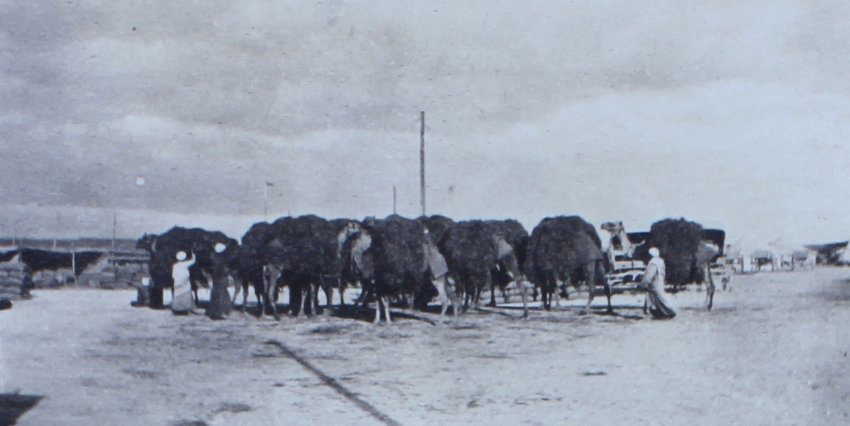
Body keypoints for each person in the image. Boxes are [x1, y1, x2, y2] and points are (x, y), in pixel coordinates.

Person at [639, 247, 676, 319]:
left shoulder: (653, 262)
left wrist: (642, 284)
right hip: (659, 281)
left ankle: (669, 312)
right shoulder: (660, 261)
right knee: (657, 299)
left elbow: (649, 275)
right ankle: (662, 313)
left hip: (655, 283)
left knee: (659, 299)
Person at [206, 243, 233, 320]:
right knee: (222, 296)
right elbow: (224, 270)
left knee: (215, 295)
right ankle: (220, 312)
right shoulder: (222, 259)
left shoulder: (213, 257)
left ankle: (214, 312)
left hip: (215, 279)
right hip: (221, 278)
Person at [171, 250, 196, 315]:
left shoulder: (175, 265)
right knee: (186, 294)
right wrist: (193, 254)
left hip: (177, 282)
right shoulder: (185, 264)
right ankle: (185, 308)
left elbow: (173, 275)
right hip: (185, 281)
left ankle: (177, 309)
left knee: (177, 295)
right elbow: (193, 261)